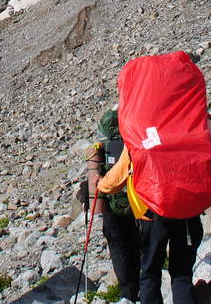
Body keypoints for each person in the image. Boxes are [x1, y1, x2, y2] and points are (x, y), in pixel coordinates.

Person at [99, 109, 211, 304]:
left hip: (153, 214)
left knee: (150, 273)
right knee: (182, 274)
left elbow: (114, 181)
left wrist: (99, 184)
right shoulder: (193, 132)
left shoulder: (142, 134)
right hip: (188, 213)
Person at [86, 109, 140, 304]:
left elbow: (95, 169)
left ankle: (128, 294)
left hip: (110, 204)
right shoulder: (135, 132)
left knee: (119, 248)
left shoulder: (104, 136)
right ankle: (143, 287)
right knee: (136, 245)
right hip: (136, 201)